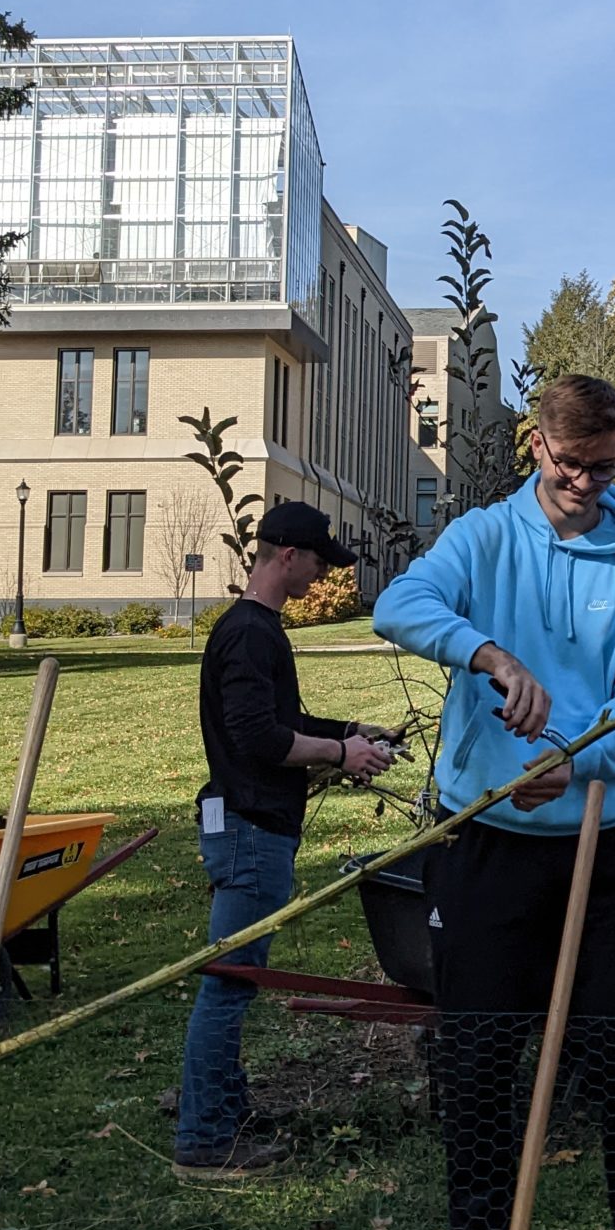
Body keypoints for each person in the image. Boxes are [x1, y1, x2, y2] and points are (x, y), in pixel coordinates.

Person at [372, 373, 615, 1230]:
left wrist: (582, 761)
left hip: (606, 838)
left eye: (605, 467)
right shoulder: (483, 539)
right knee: (473, 1068)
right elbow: (399, 603)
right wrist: (488, 653)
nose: (587, 483)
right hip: (488, 846)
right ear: (535, 445)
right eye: (572, 462)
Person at [175, 503, 396, 1180]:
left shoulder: (257, 630)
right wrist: (338, 752)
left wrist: (357, 735)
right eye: (319, 561)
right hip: (248, 829)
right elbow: (258, 737)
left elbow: (283, 719)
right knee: (231, 984)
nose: (323, 573)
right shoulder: (247, 634)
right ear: (286, 557)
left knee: (234, 979)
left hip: (251, 827)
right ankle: (205, 1140)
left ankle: (224, 1109)